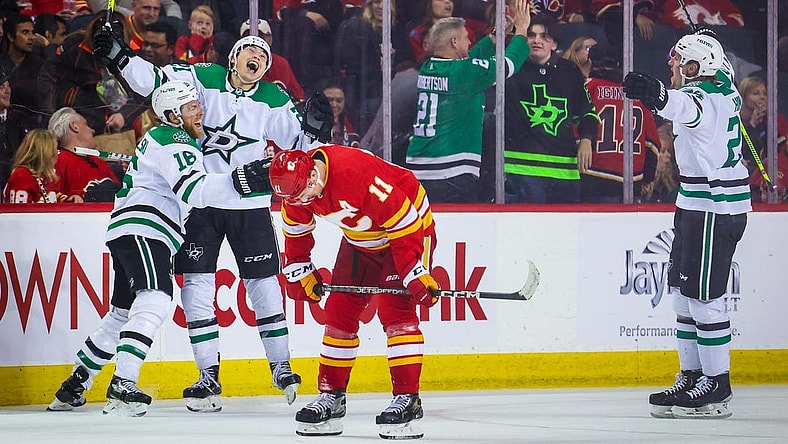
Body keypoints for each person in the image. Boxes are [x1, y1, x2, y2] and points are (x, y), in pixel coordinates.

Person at [91, 24, 334, 411]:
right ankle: (208, 376)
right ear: (233, 57)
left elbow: (301, 146)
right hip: (201, 202)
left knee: (264, 285)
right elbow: (157, 84)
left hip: (250, 205)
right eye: (248, 52)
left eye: (264, 56)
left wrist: (319, 131)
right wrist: (121, 57)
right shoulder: (204, 77)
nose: (256, 58)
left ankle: (282, 366)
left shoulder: (273, 96)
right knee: (197, 287)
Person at [46, 80, 274, 416]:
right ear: (172, 114)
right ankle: (123, 383)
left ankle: (75, 385)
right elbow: (194, 190)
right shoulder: (174, 138)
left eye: (198, 104)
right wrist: (241, 179)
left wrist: (232, 181)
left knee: (121, 314)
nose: (200, 111)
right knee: (156, 297)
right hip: (146, 230)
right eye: (191, 107)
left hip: (130, 229)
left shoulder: (164, 140)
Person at [269, 146, 438, 439]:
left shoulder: (354, 174)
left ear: (313, 177)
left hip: (406, 231)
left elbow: (404, 220)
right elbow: (296, 230)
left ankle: (408, 399)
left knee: (395, 311)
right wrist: (298, 266)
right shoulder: (296, 187)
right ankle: (332, 396)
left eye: (301, 196)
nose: (298, 203)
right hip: (362, 239)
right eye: (291, 199)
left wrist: (413, 269)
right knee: (338, 313)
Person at [623, 33, 751, 419]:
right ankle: (693, 375)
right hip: (694, 205)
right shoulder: (723, 85)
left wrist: (656, 92)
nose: (676, 68)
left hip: (716, 208)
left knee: (705, 299)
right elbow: (697, 89)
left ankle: (717, 383)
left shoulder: (705, 99)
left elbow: (681, 105)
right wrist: (703, 44)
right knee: (682, 294)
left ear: (701, 67)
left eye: (683, 64)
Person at [405, 4, 531, 204]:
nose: (470, 41)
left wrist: (497, 35)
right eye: (466, 38)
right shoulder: (464, 73)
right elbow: (509, 63)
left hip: (420, 169)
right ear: (454, 42)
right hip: (450, 171)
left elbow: (468, 61)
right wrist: (522, 31)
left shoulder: (429, 67)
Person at [502, 13, 598, 204]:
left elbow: (588, 112)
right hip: (520, 168)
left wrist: (586, 139)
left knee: (566, 234)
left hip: (565, 171)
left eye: (544, 37)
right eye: (531, 35)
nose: (537, 40)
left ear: (554, 45)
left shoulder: (569, 71)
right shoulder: (511, 68)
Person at [582, 43, 659, 203]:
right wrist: (648, 178)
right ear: (618, 64)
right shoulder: (636, 95)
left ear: (590, 63)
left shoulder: (587, 88)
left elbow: (574, 131)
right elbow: (652, 143)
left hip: (592, 177)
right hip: (632, 182)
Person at [48, 107, 121, 202]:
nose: (92, 131)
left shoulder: (100, 163)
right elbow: (48, 198)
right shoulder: (58, 161)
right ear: (74, 126)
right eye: (86, 124)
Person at [2, 129, 83, 203]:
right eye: (55, 151)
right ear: (46, 154)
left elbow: (52, 196)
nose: (57, 155)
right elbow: (20, 213)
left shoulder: (46, 176)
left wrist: (68, 200)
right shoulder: (22, 175)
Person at [240, 18, 304, 104]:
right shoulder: (237, 65)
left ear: (270, 39)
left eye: (259, 37)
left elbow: (299, 98)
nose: (254, 43)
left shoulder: (280, 63)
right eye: (248, 39)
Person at [322, 80, 360, 147]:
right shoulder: (307, 127)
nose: (334, 105)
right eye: (329, 100)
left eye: (339, 101)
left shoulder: (351, 128)